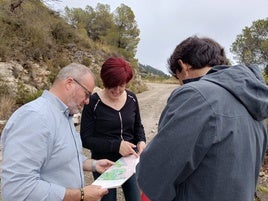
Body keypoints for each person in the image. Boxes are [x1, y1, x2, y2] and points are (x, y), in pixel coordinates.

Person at [136, 36, 268, 201]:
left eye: (178, 79)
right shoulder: (254, 101)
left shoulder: (195, 94)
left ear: (183, 66)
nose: (180, 85)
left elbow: (156, 172)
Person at [1, 63, 115, 201]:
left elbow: (62, 157)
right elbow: (18, 188)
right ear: (69, 83)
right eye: (86, 94)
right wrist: (81, 195)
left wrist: (94, 165)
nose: (87, 101)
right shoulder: (35, 117)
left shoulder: (64, 115)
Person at [80, 57, 146, 201]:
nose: (117, 90)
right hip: (104, 163)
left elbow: (138, 126)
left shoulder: (132, 98)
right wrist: (116, 145)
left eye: (121, 85)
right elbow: (85, 139)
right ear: (104, 81)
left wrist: (141, 141)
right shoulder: (92, 103)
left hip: (130, 161)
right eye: (112, 85)